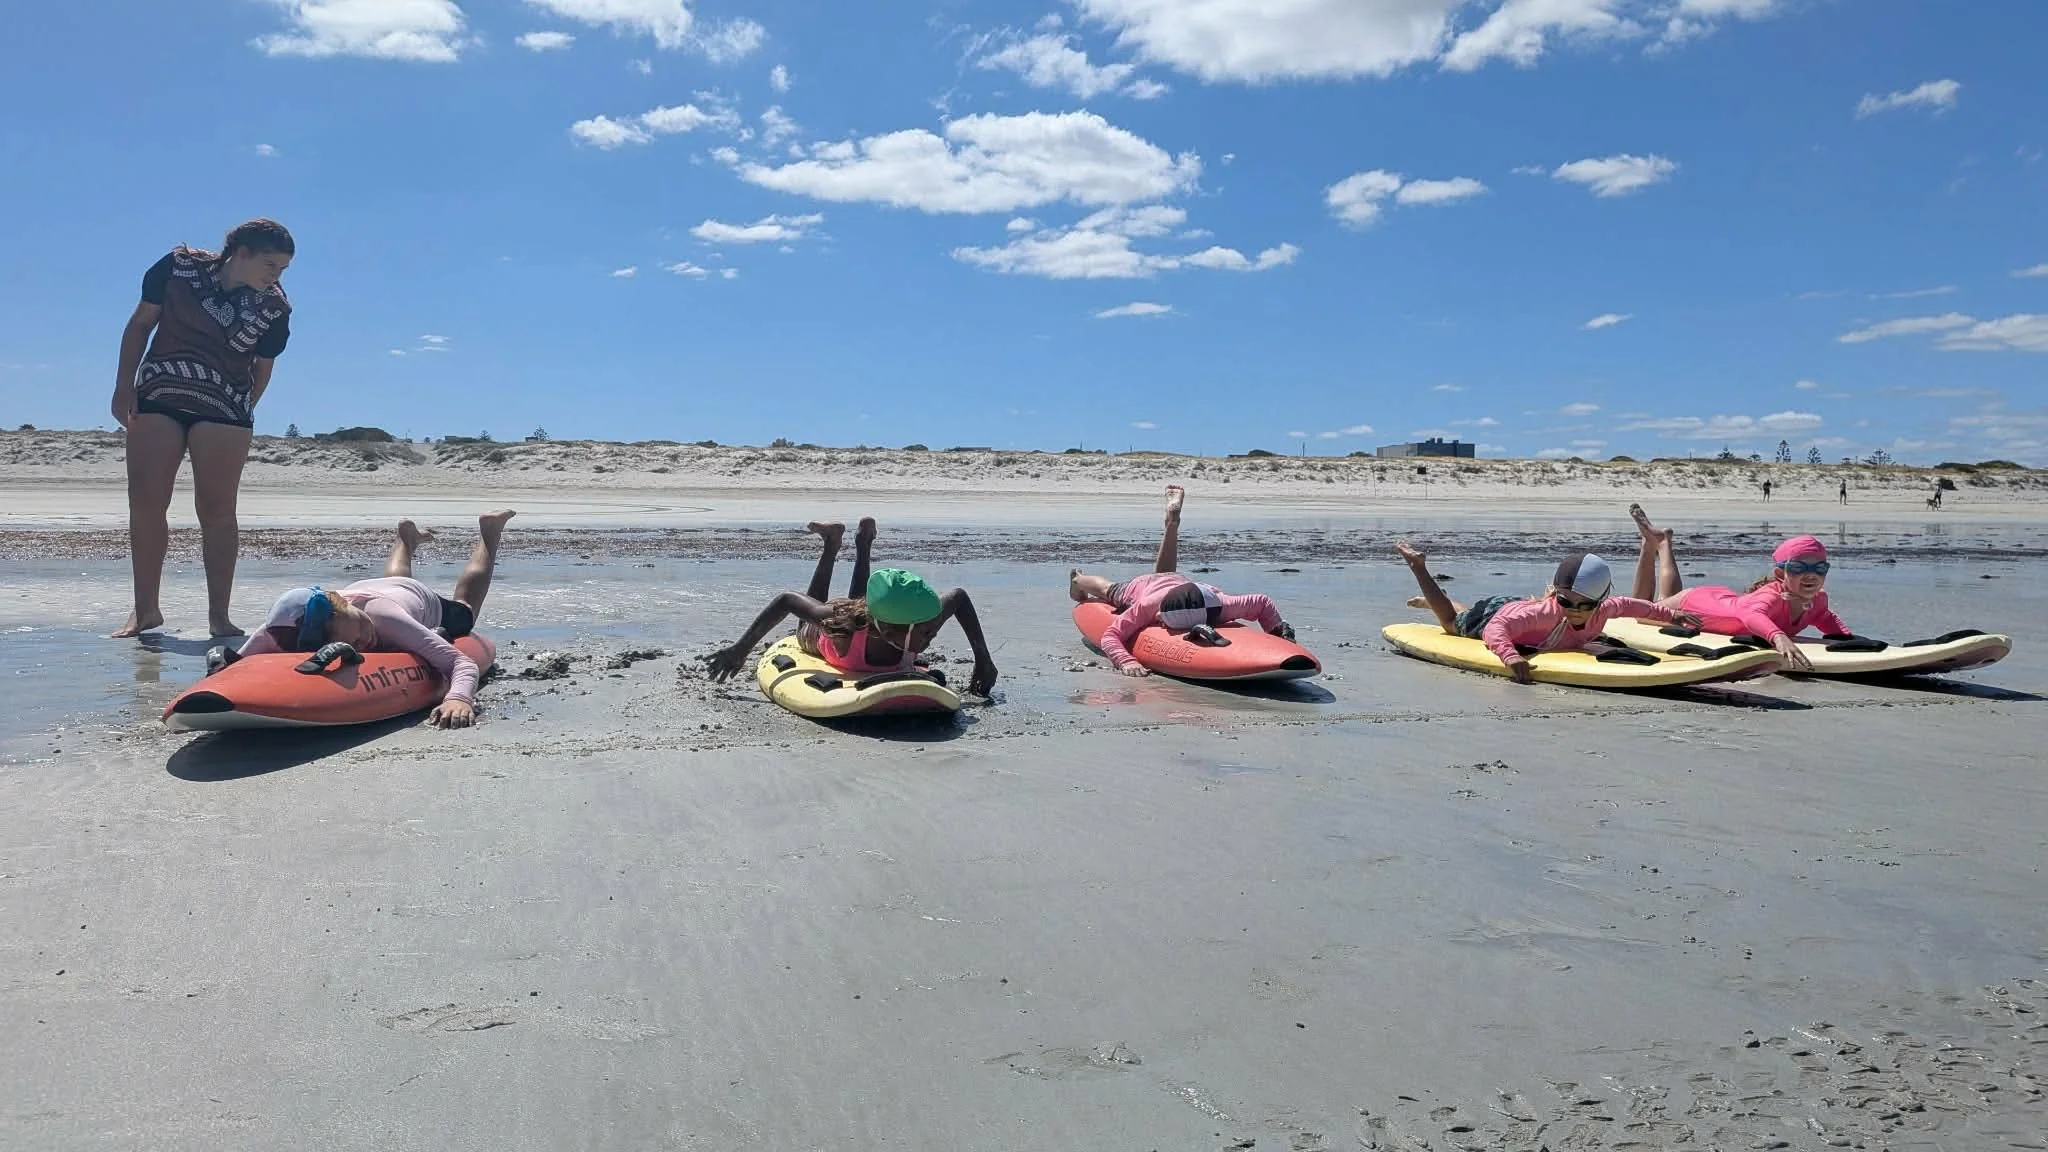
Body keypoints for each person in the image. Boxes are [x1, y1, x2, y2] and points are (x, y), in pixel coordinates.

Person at [111, 219, 296, 639]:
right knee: (145, 501)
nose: (276, 276)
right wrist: (124, 385)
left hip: (224, 407)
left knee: (216, 511)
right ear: (241, 253)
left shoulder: (274, 307)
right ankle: (145, 612)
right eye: (271, 265)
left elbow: (262, 368)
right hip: (160, 393)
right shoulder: (177, 268)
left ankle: (219, 617)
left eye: (283, 269)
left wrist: (243, 407)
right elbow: (141, 323)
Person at [226, 511, 515, 728]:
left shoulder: (385, 620)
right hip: (381, 589)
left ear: (339, 605)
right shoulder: (281, 624)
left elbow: (460, 663)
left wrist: (459, 698)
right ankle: (405, 537)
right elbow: (238, 663)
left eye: (353, 636)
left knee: (466, 606)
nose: (361, 644)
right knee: (397, 579)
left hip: (419, 602)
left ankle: (489, 532)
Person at [702, 518, 998, 696]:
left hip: (866, 614)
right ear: (886, 628)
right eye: (923, 634)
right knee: (808, 622)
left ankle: (862, 540)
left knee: (860, 597)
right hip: (830, 636)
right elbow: (787, 600)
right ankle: (832, 545)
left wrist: (983, 659)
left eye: (928, 633)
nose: (927, 639)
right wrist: (739, 650)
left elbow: (958, 596)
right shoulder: (840, 625)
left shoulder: (920, 619)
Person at [1066, 485, 1296, 677]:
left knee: (1158, 574)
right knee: (1109, 590)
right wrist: (1125, 661)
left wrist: (1277, 640)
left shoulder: (1217, 605)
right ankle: (1078, 579)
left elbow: (1262, 602)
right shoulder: (1217, 604)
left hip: (1174, 583)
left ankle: (1171, 524)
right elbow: (1110, 637)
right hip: (1148, 587)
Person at [1396, 541, 1699, 684]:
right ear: (1556, 595)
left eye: (1585, 606)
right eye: (1566, 604)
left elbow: (1636, 606)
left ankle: (1436, 600)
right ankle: (1419, 568)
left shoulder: (1606, 608)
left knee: (1461, 613)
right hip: (1496, 615)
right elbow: (1495, 630)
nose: (1575, 612)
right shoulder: (1542, 615)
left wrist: (1672, 615)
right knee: (1451, 623)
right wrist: (1510, 656)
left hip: (1518, 610)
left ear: (1600, 601)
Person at [1627, 503, 1847, 673]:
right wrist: (1779, 637)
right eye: (1799, 567)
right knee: (1639, 612)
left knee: (1667, 596)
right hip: (1697, 604)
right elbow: (1751, 615)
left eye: (1820, 567)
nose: (1811, 574)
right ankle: (1650, 546)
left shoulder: (1818, 600)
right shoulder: (1772, 595)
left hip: (1721, 598)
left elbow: (1826, 619)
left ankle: (1663, 542)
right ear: (1781, 574)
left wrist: (1848, 639)